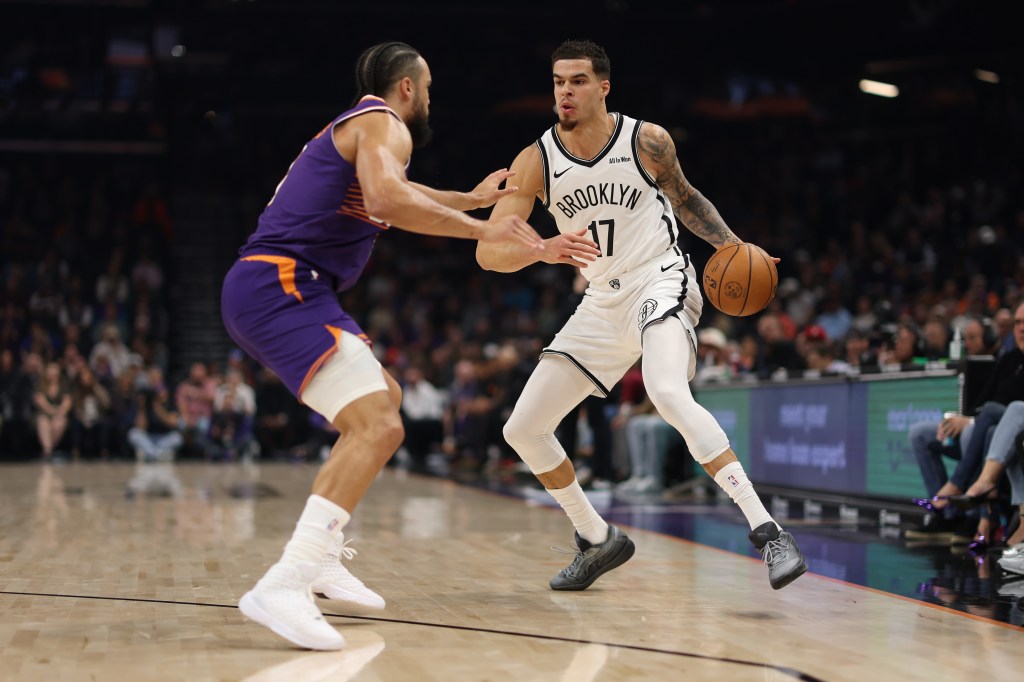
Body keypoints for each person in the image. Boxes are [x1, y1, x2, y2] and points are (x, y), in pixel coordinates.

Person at [220, 41, 544, 650]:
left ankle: (317, 560)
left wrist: (472, 200)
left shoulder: (367, 132)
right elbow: (388, 199)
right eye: (427, 88)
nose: (429, 99)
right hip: (281, 284)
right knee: (379, 426)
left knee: (385, 401)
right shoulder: (386, 124)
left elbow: (397, 193)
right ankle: (285, 582)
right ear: (407, 89)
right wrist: (481, 227)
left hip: (283, 285)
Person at [476, 39, 807, 592]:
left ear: (603, 87)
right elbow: (488, 251)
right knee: (523, 428)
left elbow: (686, 198)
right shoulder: (535, 160)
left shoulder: (645, 139)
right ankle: (596, 537)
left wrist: (734, 245)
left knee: (668, 392)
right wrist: (541, 248)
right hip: (602, 299)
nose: (565, 91)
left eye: (577, 81)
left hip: (662, 277)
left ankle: (769, 531)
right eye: (558, 81)